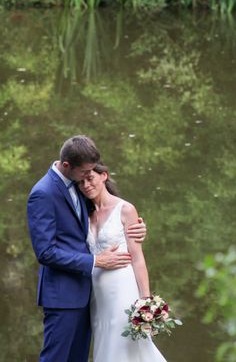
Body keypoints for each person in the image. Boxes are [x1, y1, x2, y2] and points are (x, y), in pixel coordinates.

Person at [26, 135, 147, 362]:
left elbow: (106, 219)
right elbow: (45, 252)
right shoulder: (43, 193)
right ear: (66, 166)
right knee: (56, 358)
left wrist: (137, 229)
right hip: (62, 296)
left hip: (90, 295)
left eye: (92, 173)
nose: (87, 180)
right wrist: (96, 261)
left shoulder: (78, 187)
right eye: (84, 173)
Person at [80, 162, 167, 362]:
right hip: (98, 296)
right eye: (81, 182)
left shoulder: (126, 209)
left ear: (104, 176)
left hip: (122, 290)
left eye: (90, 178)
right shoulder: (84, 214)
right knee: (105, 344)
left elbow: (137, 258)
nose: (86, 185)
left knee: (126, 345)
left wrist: (146, 301)